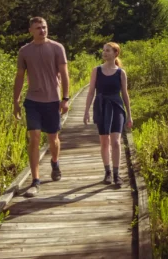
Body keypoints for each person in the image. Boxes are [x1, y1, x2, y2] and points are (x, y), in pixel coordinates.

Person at [13, 17, 70, 198]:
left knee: (53, 138)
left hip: (52, 99)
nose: (42, 30)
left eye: (44, 27)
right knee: (35, 137)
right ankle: (35, 180)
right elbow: (20, 76)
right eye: (38, 28)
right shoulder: (24, 51)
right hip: (33, 101)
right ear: (30, 30)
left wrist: (65, 98)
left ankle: (54, 162)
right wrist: (15, 100)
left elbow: (64, 73)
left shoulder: (56, 48)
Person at [84, 42, 133, 186]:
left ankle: (117, 174)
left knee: (116, 142)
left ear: (115, 53)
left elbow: (125, 94)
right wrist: (86, 111)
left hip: (117, 107)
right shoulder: (96, 70)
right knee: (104, 141)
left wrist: (129, 114)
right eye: (104, 50)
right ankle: (108, 173)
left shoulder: (120, 72)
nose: (105, 53)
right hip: (101, 106)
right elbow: (91, 91)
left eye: (108, 51)